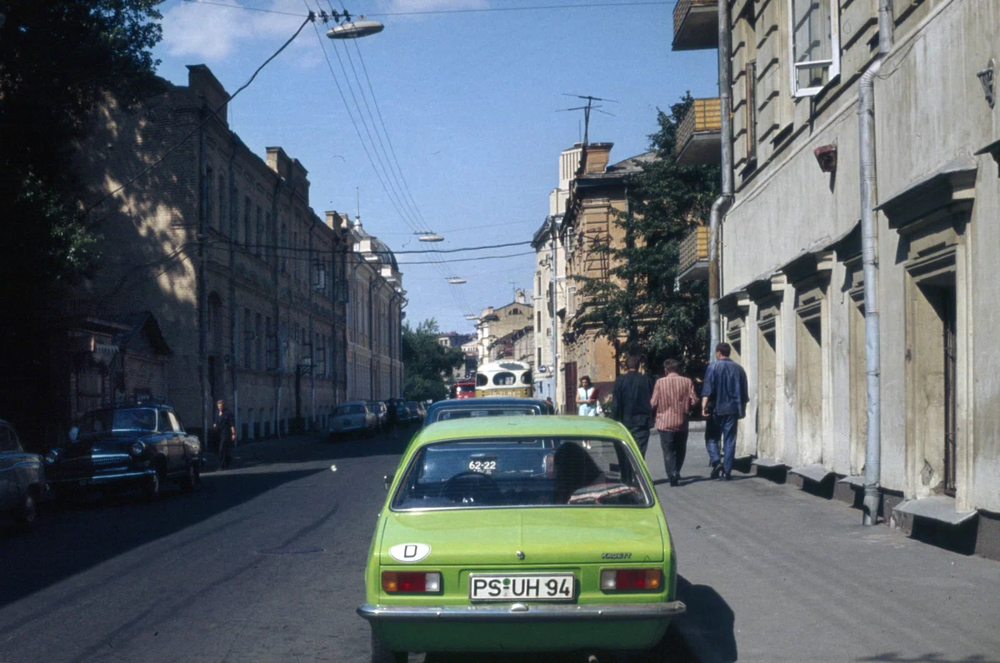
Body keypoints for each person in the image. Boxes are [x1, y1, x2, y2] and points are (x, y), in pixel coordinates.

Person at [701, 342, 749, 481]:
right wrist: (742, 410)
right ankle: (727, 471)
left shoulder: (713, 367)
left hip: (716, 409)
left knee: (711, 438)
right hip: (732, 410)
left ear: (719, 352)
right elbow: (744, 393)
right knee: (729, 440)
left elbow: (707, 389)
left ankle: (716, 462)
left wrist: (703, 407)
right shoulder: (739, 369)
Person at [650, 359, 700, 486]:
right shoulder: (687, 381)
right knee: (680, 449)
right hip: (682, 421)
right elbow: (694, 401)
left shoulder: (660, 382)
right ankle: (676, 470)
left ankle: (672, 473)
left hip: (664, 422)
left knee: (668, 450)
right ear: (678, 369)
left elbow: (653, 403)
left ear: (666, 370)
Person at [612, 356, 653, 456]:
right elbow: (653, 400)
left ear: (626, 366)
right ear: (639, 366)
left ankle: (627, 471)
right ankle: (637, 471)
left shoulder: (620, 381)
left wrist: (614, 421)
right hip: (642, 422)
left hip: (624, 422)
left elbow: (616, 404)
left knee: (625, 452)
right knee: (639, 453)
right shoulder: (646, 380)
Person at [212, 399, 236, 470]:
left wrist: (233, 434)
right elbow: (216, 421)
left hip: (226, 433)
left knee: (222, 449)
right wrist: (214, 425)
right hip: (218, 433)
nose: (220, 408)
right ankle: (228, 459)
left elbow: (232, 424)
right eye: (218, 407)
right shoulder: (217, 413)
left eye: (221, 407)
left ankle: (222, 465)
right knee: (221, 449)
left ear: (224, 406)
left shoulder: (228, 413)